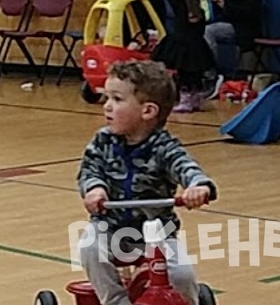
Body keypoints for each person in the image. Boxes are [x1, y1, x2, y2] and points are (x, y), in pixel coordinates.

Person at [77, 60, 216, 305]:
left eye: (117, 99)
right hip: (110, 228)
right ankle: (116, 300)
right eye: (107, 98)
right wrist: (95, 189)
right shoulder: (103, 141)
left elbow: (185, 166)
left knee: (182, 274)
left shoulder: (164, 147)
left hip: (157, 232)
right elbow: (90, 170)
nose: (107, 106)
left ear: (147, 111)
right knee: (89, 247)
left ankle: (186, 302)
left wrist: (198, 186)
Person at [194, 0, 263, 77]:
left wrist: (226, 6)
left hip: (239, 26)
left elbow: (251, 12)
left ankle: (210, 74)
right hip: (210, 18)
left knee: (209, 31)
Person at [151, 0, 217, 113]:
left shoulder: (180, 7)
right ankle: (196, 100)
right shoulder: (198, 9)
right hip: (197, 45)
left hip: (183, 45)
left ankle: (186, 100)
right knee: (195, 74)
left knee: (184, 74)